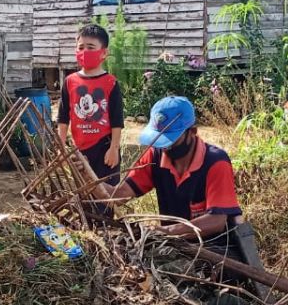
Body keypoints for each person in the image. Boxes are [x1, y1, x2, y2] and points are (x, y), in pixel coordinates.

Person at [90, 96, 242, 245]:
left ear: (192, 132)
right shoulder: (155, 155)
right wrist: (86, 175)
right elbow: (116, 196)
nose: (166, 147)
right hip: (173, 245)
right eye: (161, 140)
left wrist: (164, 232)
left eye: (171, 140)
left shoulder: (215, 162)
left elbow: (216, 221)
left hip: (215, 248)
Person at [56, 23, 124, 190]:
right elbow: (63, 117)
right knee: (83, 194)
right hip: (79, 150)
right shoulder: (70, 82)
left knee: (106, 195)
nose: (85, 51)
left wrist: (114, 148)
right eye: (81, 47)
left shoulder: (111, 83)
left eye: (91, 47)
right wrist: (61, 146)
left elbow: (117, 120)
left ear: (104, 53)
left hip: (104, 149)